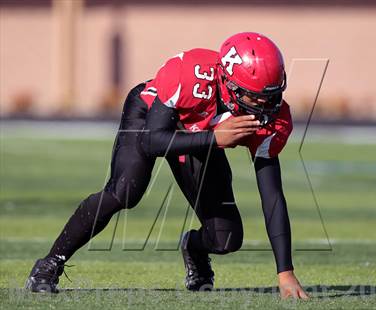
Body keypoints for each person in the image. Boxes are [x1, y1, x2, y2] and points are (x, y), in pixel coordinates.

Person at [25, 32, 309, 299]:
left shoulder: (274, 117)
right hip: (151, 120)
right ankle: (49, 264)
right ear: (229, 84)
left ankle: (193, 248)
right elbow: (153, 141)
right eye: (256, 96)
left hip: (200, 137)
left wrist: (285, 272)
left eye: (272, 94)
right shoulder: (189, 73)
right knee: (124, 192)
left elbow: (272, 196)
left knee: (226, 238)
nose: (266, 104)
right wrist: (214, 137)